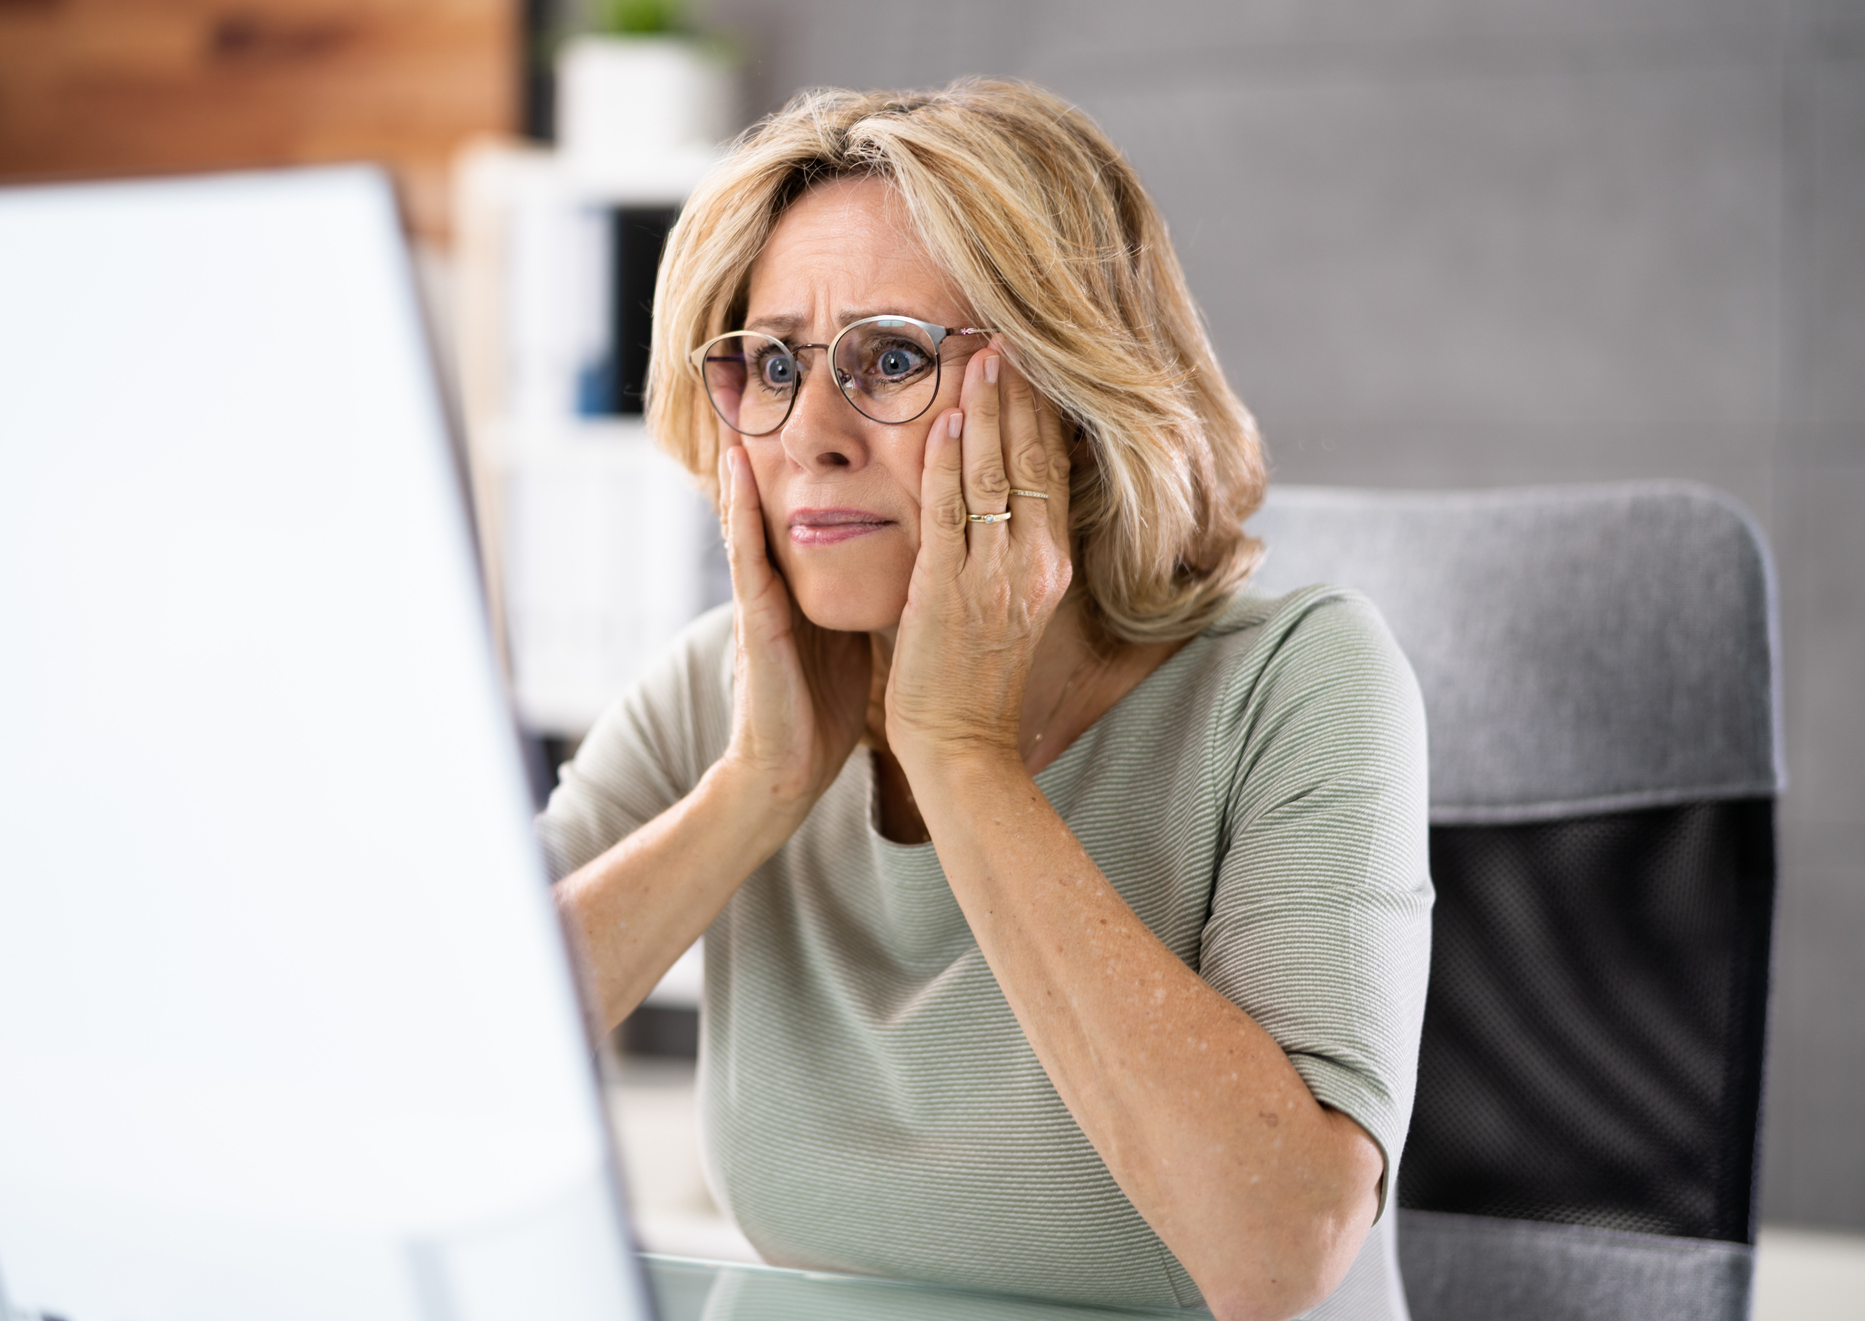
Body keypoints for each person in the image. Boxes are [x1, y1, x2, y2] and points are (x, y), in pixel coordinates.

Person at [538, 79, 1431, 1321]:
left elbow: (1275, 1250)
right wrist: (758, 789)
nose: (812, 433)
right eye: (774, 363)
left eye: (892, 357)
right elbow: (430, 1075)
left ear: (1070, 408)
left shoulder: (1299, 682)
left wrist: (959, 755)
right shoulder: (717, 693)